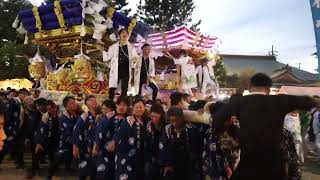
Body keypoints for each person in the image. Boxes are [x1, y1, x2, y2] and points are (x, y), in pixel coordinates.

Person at [212, 73, 317, 180]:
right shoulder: (279, 100)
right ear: (268, 88)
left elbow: (217, 120)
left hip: (249, 159)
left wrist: (235, 132)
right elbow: (309, 101)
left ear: (249, 86)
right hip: (274, 162)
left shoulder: (239, 102)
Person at [108, 98, 148, 180]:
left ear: (144, 108)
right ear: (133, 108)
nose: (138, 109)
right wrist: (113, 142)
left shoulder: (147, 121)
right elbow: (120, 132)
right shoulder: (129, 119)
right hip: (125, 155)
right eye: (136, 107)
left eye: (141, 107)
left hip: (140, 156)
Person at [158, 107, 203, 180]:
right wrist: (167, 165)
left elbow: (196, 148)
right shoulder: (167, 130)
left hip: (189, 166)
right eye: (172, 121)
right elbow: (163, 148)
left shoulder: (191, 129)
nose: (175, 123)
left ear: (182, 118)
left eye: (177, 120)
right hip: (172, 165)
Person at [94, 97, 129, 180]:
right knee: (102, 175)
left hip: (120, 155)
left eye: (124, 105)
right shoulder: (109, 115)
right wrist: (95, 147)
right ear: (116, 106)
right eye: (119, 104)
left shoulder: (129, 119)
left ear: (128, 107)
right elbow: (99, 130)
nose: (121, 107)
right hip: (105, 152)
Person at [47, 96, 79, 180]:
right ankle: (49, 176)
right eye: (72, 103)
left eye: (74, 102)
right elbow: (68, 133)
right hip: (65, 143)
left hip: (73, 142)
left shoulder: (76, 114)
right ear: (66, 106)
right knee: (58, 160)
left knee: (69, 158)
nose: (75, 104)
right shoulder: (63, 118)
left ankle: (68, 169)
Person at [103, 28, 138, 100]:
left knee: (124, 88)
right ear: (119, 35)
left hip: (125, 70)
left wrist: (135, 60)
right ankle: (110, 103)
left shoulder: (131, 48)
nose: (124, 34)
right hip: (116, 69)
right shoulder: (113, 47)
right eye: (123, 32)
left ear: (128, 36)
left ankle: (122, 103)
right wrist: (102, 51)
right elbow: (107, 57)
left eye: (126, 33)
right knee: (112, 87)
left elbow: (135, 58)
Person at [72, 95, 98, 180]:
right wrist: (75, 147)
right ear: (86, 103)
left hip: (96, 148)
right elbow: (76, 131)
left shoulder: (99, 116)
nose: (94, 101)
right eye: (91, 100)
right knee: (83, 173)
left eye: (95, 100)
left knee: (93, 172)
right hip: (84, 148)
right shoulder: (85, 116)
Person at [31, 100, 60, 178]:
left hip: (58, 139)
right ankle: (34, 170)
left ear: (55, 107)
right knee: (37, 152)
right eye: (49, 109)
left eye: (52, 108)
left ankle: (51, 171)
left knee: (55, 157)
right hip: (47, 138)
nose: (51, 111)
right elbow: (41, 129)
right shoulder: (46, 116)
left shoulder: (61, 114)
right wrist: (39, 142)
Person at [144, 103, 165, 180]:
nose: (154, 119)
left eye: (156, 117)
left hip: (163, 157)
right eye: (152, 116)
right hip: (151, 156)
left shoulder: (166, 126)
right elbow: (147, 141)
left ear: (162, 115)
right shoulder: (149, 125)